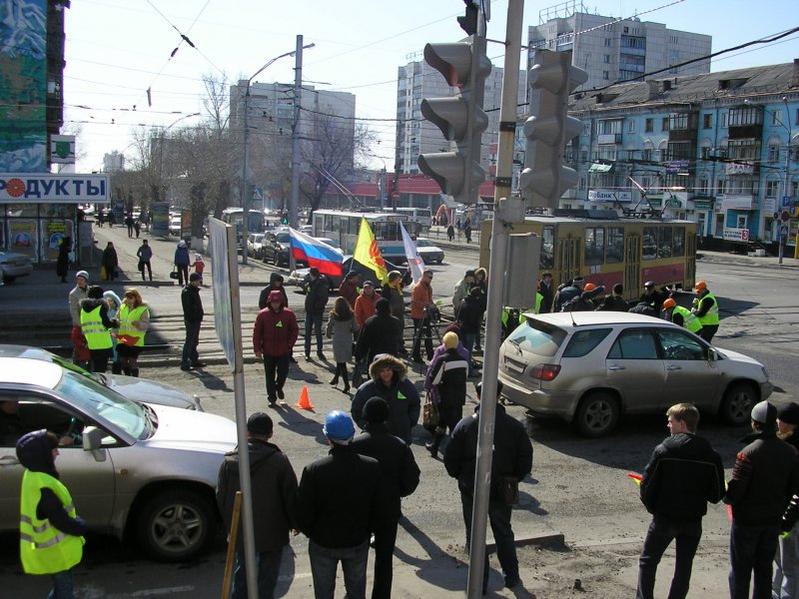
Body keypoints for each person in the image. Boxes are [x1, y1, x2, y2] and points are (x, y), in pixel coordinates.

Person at [444, 380, 533, 593]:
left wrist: (462, 478)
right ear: (499, 395)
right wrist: (512, 479)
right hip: (503, 489)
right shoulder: (514, 426)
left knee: (475, 534)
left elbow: (451, 459)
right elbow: (525, 460)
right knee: (503, 531)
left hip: (472, 488)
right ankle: (511, 576)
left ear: (477, 395)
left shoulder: (465, 425)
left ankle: (479, 583)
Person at [636, 403, 725, 599]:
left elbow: (646, 485)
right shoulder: (711, 456)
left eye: (671, 421)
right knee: (684, 567)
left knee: (648, 561)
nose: (668, 425)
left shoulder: (664, 451)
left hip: (665, 518)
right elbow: (717, 494)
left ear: (682, 424)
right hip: (693, 520)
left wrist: (654, 508)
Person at [296, 411, 381, 599]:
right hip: (357, 541)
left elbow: (303, 511)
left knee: (323, 592)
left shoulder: (314, 470)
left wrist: (313, 533)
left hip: (323, 543)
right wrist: (367, 530)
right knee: (356, 591)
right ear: (352, 435)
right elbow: (378, 506)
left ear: (328, 438)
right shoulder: (371, 466)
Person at [216, 412, 298, 599]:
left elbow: (221, 496)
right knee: (267, 580)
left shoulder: (230, 462)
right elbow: (291, 496)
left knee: (242, 576)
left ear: (247, 432)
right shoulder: (279, 461)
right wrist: (295, 523)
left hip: (242, 530)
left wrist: (230, 525)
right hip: (272, 532)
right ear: (270, 434)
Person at [724, 400, 799, 599]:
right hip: (772, 521)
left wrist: (726, 492)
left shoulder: (748, 453)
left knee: (740, 572)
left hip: (746, 523)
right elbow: (792, 488)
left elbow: (735, 493)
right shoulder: (789, 452)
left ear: (754, 423)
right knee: (764, 571)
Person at [350, 398, 420, 599]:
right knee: (384, 559)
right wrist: (396, 493)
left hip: (359, 510)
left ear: (365, 417)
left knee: (355, 559)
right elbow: (411, 478)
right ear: (386, 417)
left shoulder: (355, 445)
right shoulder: (398, 445)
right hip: (388, 509)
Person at [17, 430, 87, 599]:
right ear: (42, 456)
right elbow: (59, 519)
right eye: (54, 450)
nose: (57, 453)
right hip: (57, 552)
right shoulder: (44, 486)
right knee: (64, 591)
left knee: (60, 589)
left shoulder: (32, 474)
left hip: (50, 552)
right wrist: (80, 526)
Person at [352, 353, 420, 446]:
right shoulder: (366, 389)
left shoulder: (405, 385)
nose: (386, 373)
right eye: (382, 371)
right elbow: (356, 411)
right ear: (376, 372)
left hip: (402, 436)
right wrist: (368, 427)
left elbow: (415, 403)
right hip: (376, 440)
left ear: (394, 369)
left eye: (388, 370)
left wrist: (409, 422)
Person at [424, 331, 469, 458]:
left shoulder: (442, 360)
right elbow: (465, 376)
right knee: (444, 423)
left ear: (445, 343)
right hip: (459, 397)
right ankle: (435, 446)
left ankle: (457, 451)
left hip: (445, 397)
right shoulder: (463, 360)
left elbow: (434, 379)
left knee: (451, 426)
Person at [253, 290, 299, 406]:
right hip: (268, 351)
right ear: (269, 302)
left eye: (277, 302)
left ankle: (278, 387)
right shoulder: (263, 315)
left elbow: (294, 330)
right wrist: (257, 349)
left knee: (283, 373)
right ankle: (272, 398)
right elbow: (257, 333)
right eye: (273, 302)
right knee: (269, 376)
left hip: (283, 351)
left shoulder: (289, 314)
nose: (275, 304)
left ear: (281, 302)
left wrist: (289, 345)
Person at [775, 402, 799, 599]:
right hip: (785, 514)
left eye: (779, 420)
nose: (776, 423)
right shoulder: (786, 443)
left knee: (789, 563)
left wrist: (787, 520)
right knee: (783, 561)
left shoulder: (791, 447)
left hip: (790, 516)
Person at [354, 299, 402, 373]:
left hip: (375, 356)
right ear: (389, 308)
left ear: (376, 309)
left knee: (375, 377)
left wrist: (359, 356)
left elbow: (363, 341)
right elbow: (399, 338)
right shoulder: (396, 322)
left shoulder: (370, 322)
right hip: (392, 355)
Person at [80, 285, 118, 372]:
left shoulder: (83, 310)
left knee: (95, 368)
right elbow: (106, 323)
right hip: (103, 343)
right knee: (101, 369)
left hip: (91, 343)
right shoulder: (101, 307)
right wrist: (115, 322)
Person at [326, 297, 358, 394]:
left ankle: (346, 384)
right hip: (347, 340)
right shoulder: (351, 314)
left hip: (337, 340)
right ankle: (336, 378)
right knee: (341, 361)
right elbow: (355, 328)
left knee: (340, 362)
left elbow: (329, 326)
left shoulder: (333, 315)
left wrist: (328, 334)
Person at [116, 288, 150, 377]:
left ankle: (135, 378)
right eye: (127, 297)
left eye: (130, 298)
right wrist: (116, 322)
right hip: (123, 339)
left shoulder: (143, 309)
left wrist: (138, 324)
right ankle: (128, 377)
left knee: (132, 361)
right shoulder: (123, 307)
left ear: (136, 298)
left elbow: (145, 324)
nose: (128, 300)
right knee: (123, 361)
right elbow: (117, 318)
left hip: (135, 340)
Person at [181, 273, 205, 371]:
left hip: (196, 319)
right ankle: (184, 363)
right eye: (199, 281)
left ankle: (194, 360)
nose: (200, 282)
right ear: (193, 281)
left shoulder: (194, 290)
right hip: (191, 320)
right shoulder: (187, 292)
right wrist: (194, 317)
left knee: (194, 341)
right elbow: (188, 308)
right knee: (189, 342)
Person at [457, 287, 484, 374]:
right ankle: (469, 370)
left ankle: (464, 367)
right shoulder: (475, 305)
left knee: (464, 349)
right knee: (468, 351)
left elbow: (458, 314)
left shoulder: (463, 302)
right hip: (471, 330)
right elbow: (473, 319)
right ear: (477, 296)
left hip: (462, 329)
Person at [304, 267, 329, 360]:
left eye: (310, 274)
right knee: (307, 333)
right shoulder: (310, 283)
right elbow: (307, 292)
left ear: (312, 274)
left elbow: (324, 299)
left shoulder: (320, 284)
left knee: (318, 332)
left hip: (316, 312)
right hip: (309, 311)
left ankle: (319, 351)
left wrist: (316, 306)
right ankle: (307, 352)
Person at [410, 269, 435, 363]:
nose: (430, 279)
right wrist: (427, 304)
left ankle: (430, 355)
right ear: (424, 276)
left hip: (426, 315)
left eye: (431, 277)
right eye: (429, 277)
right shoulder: (418, 287)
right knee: (418, 336)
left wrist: (433, 305)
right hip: (418, 315)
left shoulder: (428, 287)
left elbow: (430, 299)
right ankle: (416, 355)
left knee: (428, 335)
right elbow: (414, 302)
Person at [381, 271, 406, 355]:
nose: (400, 280)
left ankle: (400, 347)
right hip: (392, 314)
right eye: (398, 278)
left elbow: (406, 280)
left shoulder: (398, 286)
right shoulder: (387, 288)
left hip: (400, 313)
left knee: (400, 330)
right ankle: (393, 348)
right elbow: (385, 301)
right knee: (393, 331)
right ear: (393, 278)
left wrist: (408, 271)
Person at [68, 271, 90, 367]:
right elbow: (73, 311)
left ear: (86, 280)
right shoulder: (73, 293)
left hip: (90, 323)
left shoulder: (91, 290)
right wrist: (81, 325)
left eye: (82, 279)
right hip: (80, 325)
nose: (79, 281)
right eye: (78, 279)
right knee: (80, 348)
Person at [472, 267, 488, 351]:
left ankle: (477, 344)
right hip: (472, 308)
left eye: (482, 275)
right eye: (479, 274)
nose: (480, 276)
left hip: (480, 309)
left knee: (478, 326)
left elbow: (485, 297)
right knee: (472, 326)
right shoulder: (472, 283)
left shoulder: (483, 285)